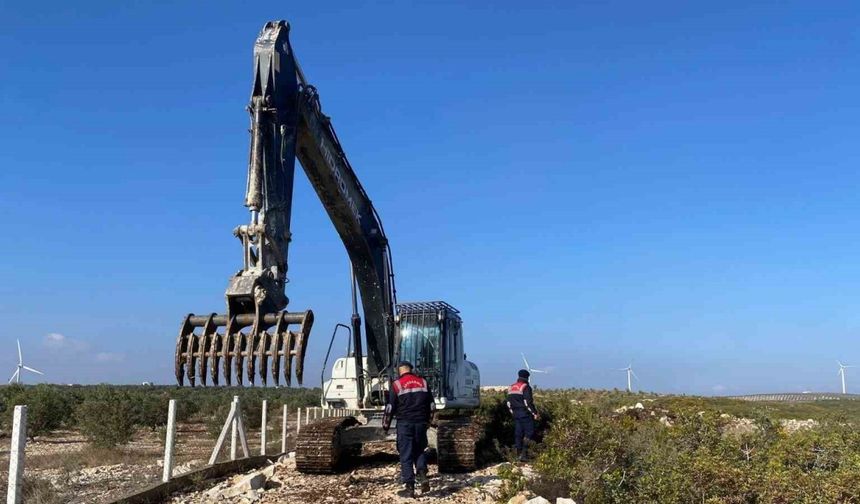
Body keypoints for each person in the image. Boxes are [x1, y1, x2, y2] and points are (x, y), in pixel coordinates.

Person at [383, 361, 435, 498]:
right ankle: (423, 476)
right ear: (411, 369)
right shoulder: (423, 383)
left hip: (405, 424)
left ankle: (409, 488)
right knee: (419, 450)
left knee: (406, 455)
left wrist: (385, 427)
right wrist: (428, 422)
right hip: (420, 423)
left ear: (399, 371)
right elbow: (432, 405)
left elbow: (389, 409)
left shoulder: (397, 384)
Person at [506, 369, 540, 461]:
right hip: (525, 414)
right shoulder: (525, 387)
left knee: (518, 434)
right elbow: (528, 402)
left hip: (516, 414)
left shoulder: (511, 387)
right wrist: (535, 413)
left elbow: (508, 403)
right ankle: (524, 454)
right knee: (529, 433)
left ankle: (518, 454)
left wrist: (513, 412)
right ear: (527, 377)